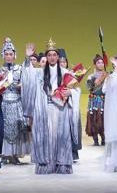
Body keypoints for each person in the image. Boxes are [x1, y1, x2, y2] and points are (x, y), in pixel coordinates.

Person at [23, 39, 76, 174]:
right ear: (46, 57)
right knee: (46, 136)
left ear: (58, 57)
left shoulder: (65, 72)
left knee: (60, 136)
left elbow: (75, 89)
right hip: (45, 109)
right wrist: (28, 58)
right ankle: (45, 164)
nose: (52, 57)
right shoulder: (39, 73)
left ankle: (62, 164)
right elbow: (28, 76)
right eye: (49, 55)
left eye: (54, 55)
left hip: (61, 109)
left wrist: (71, 93)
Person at [0, 37, 31, 165]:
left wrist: (22, 86)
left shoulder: (20, 68)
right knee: (3, 128)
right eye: (6, 54)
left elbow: (28, 78)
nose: (8, 56)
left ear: (14, 55)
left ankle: (14, 154)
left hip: (17, 102)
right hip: (3, 103)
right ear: (3, 55)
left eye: (10, 54)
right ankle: (3, 154)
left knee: (17, 129)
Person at [58, 48, 82, 162]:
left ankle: (72, 154)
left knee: (70, 129)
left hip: (70, 106)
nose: (62, 64)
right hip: (58, 105)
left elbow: (78, 90)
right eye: (60, 62)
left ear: (66, 63)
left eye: (64, 62)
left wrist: (70, 92)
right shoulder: (54, 75)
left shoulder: (72, 75)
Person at [85, 54, 107, 146]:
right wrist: (100, 79)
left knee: (104, 119)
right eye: (98, 62)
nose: (101, 64)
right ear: (95, 64)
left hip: (104, 100)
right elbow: (90, 87)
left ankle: (104, 139)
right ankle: (95, 140)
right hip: (94, 101)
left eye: (102, 62)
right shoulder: (91, 76)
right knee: (93, 118)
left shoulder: (108, 75)